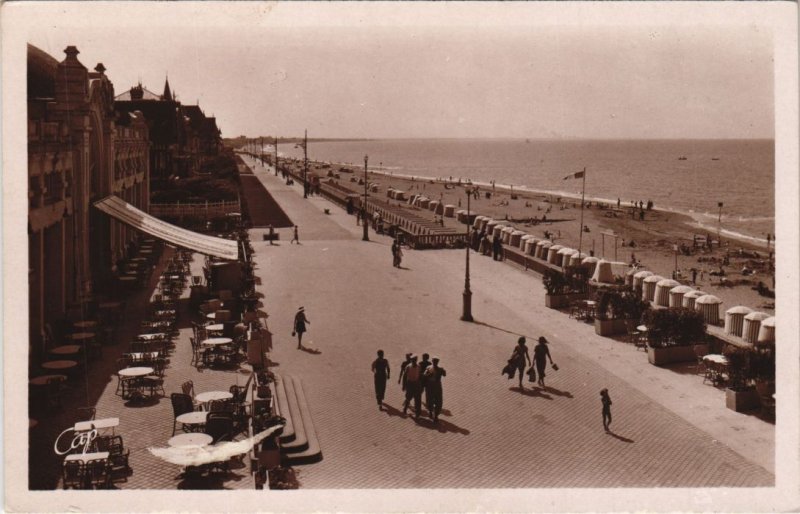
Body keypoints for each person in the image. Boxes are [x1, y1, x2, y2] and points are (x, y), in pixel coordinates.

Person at [426, 357, 446, 422]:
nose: (435, 363)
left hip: (437, 386)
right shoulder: (429, 368)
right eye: (434, 361)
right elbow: (424, 375)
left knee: (438, 401)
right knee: (429, 400)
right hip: (430, 386)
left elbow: (444, 374)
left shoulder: (440, 369)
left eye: (436, 362)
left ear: (438, 362)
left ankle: (436, 415)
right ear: (432, 361)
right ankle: (430, 412)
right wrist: (429, 374)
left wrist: (443, 371)